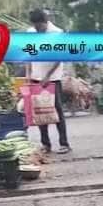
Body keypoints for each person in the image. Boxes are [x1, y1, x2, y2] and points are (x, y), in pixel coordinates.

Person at [27, 9, 70, 154]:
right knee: (40, 112)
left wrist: (47, 76)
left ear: (45, 22)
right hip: (36, 76)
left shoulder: (57, 33)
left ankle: (64, 143)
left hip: (52, 78)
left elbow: (59, 58)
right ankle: (46, 144)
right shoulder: (31, 33)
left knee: (57, 111)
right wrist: (28, 75)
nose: (38, 30)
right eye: (35, 27)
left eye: (40, 27)